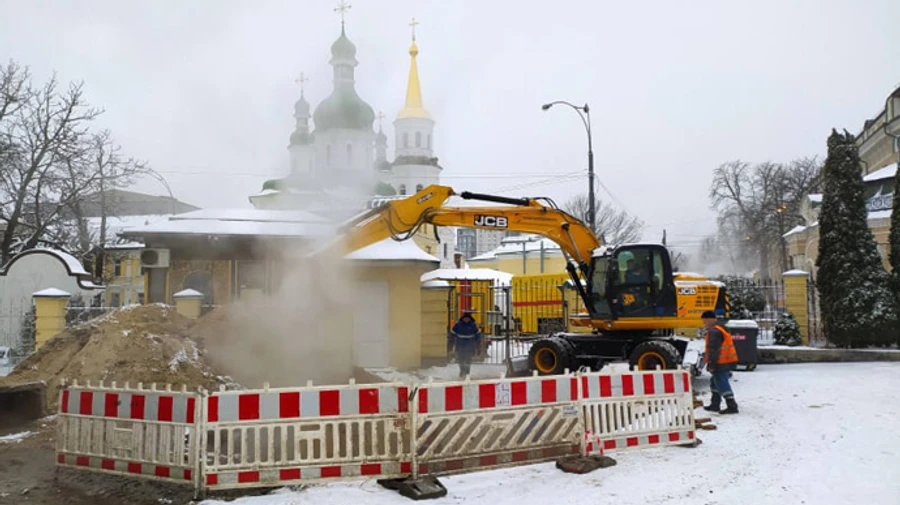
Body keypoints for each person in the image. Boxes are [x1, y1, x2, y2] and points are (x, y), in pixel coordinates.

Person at [701, 310, 739, 414]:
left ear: (710, 319)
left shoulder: (714, 332)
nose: (704, 322)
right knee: (715, 382)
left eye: (704, 320)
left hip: (721, 361)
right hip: (725, 360)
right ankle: (715, 404)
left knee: (721, 382)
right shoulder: (720, 328)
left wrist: (712, 364)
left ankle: (732, 405)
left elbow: (714, 350)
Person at [450, 312, 482, 379]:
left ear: (470, 319)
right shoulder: (458, 325)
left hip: (470, 346)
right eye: (465, 318)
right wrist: (451, 343)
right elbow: (452, 334)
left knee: (468, 359)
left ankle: (467, 372)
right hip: (460, 345)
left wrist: (478, 345)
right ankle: (462, 371)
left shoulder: (473, 325)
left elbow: (477, 335)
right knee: (461, 359)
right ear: (463, 318)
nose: (466, 320)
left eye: (467, 318)